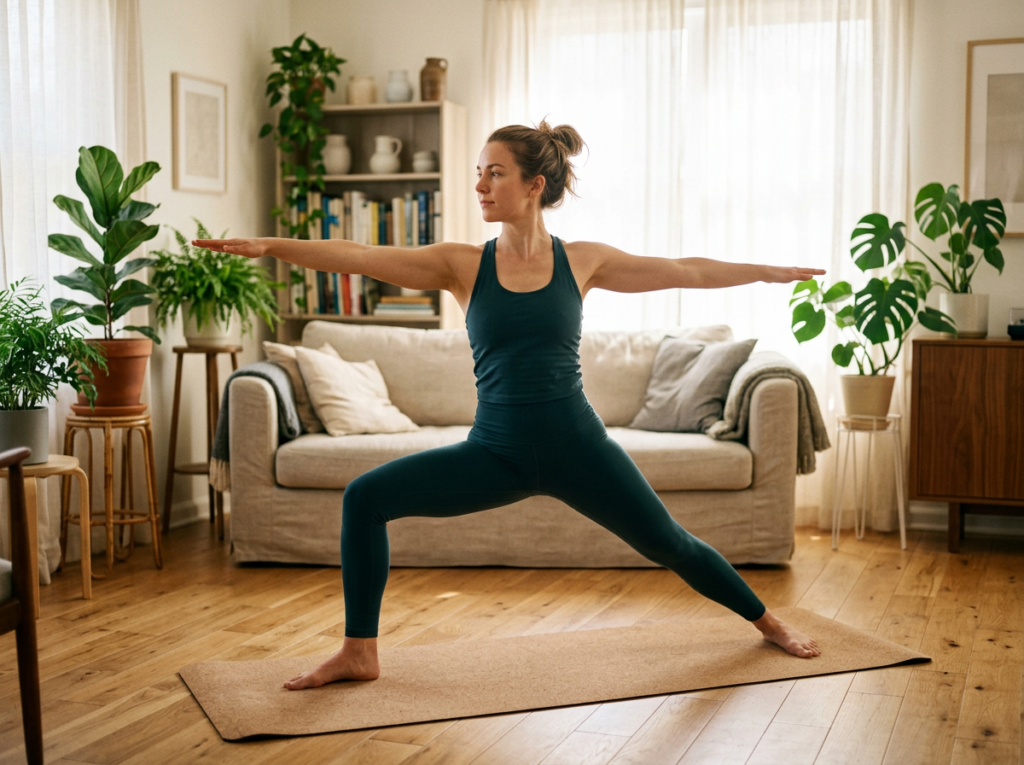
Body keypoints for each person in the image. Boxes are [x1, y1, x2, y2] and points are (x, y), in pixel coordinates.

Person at [196, 121, 825, 690]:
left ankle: (769, 624)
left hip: (580, 450)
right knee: (366, 498)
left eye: (494, 172)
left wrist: (770, 271)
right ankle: (359, 651)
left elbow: (685, 271)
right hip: (493, 454)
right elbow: (361, 258)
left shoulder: (583, 261)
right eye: (478, 171)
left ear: (534, 185)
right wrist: (274, 246)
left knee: (671, 544)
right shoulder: (462, 266)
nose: (480, 184)